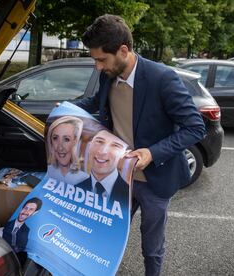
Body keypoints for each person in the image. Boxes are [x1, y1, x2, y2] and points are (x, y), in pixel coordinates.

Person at [77, 14, 206, 275]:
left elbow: (196, 127)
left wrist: (152, 152)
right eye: (95, 60)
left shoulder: (163, 78)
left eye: (101, 59)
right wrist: (66, 109)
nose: (98, 67)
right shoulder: (108, 75)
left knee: (151, 245)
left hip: (154, 180)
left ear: (123, 50)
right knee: (107, 234)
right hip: (117, 176)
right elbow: (95, 102)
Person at [76, 130, 129, 208]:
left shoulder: (129, 194)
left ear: (125, 154)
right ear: (89, 145)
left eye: (115, 145)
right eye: (99, 141)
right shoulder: (76, 188)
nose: (102, 151)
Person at [46, 116, 88, 184]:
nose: (60, 147)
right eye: (55, 138)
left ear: (75, 141)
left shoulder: (83, 178)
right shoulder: (44, 174)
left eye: (66, 139)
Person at [2, 197, 42, 264]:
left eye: (31, 209)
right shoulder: (7, 224)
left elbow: (21, 247)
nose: (26, 212)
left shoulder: (27, 230)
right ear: (22, 208)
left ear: (34, 213)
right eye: (25, 208)